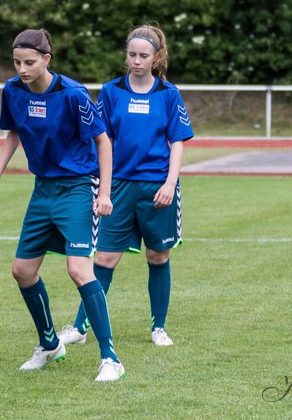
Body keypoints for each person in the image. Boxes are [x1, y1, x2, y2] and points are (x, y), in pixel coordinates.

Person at [0, 28, 125, 382]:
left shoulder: (73, 94)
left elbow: (103, 142)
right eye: (16, 62)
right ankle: (49, 345)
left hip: (77, 188)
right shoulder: (12, 90)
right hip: (42, 190)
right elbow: (14, 131)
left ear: (47, 59)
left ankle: (111, 359)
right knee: (22, 271)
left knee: (79, 270)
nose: (22, 69)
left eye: (29, 62)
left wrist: (103, 193)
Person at [60, 24, 193, 348]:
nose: (136, 61)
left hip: (157, 188)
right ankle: (80, 327)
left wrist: (169, 183)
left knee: (158, 256)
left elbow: (177, 141)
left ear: (156, 57)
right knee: (104, 259)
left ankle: (158, 327)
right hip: (118, 187)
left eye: (143, 55)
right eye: (131, 54)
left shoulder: (168, 94)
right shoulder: (111, 91)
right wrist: (100, 184)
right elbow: (102, 139)